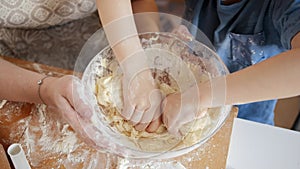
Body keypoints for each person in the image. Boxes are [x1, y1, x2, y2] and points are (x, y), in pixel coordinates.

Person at [98, 0, 300, 136]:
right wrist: (152, 48)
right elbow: (140, 2)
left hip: (246, 124)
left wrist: (201, 96)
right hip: (181, 99)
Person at [0, 0, 159, 145]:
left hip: (107, 41)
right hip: (17, 69)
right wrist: (45, 89)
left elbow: (139, 1)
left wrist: (148, 44)